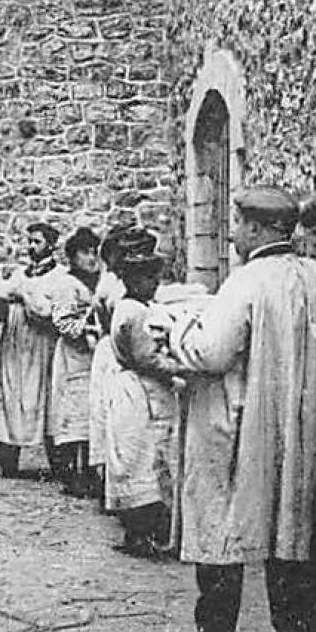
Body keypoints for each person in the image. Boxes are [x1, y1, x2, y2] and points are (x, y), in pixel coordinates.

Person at [160, 186, 316, 632]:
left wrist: (179, 332)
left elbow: (212, 353)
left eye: (236, 225)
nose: (232, 233)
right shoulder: (313, 279)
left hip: (238, 429)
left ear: (257, 230)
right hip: (293, 429)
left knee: (219, 535)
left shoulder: (247, 281)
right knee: (285, 539)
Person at [105, 232, 179, 558]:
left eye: (154, 277)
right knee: (142, 459)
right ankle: (141, 531)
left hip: (137, 388)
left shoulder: (138, 307)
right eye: (146, 278)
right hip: (139, 392)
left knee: (143, 458)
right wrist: (179, 367)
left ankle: (146, 530)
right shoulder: (132, 312)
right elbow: (146, 358)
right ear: (131, 280)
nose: (153, 284)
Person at [0, 223, 60, 478]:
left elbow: (50, 314)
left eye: (36, 242)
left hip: (40, 345)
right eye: (29, 241)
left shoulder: (59, 278)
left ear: (51, 245)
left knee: (44, 398)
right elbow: (4, 304)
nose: (30, 247)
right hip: (14, 344)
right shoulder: (19, 274)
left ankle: (59, 464)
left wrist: (25, 297)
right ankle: (5, 461)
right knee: (9, 396)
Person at [42, 227, 102, 492]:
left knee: (91, 413)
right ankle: (72, 474)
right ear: (72, 257)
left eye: (94, 252)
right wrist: (88, 324)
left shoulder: (98, 282)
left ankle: (90, 472)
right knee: (73, 414)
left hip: (93, 357)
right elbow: (62, 322)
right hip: (73, 356)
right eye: (84, 253)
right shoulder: (67, 285)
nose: (91, 258)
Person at [88, 229, 134, 509]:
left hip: (114, 348)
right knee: (107, 416)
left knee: (118, 420)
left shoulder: (119, 281)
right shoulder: (110, 283)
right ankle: (107, 483)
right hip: (111, 350)